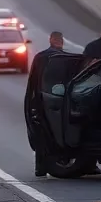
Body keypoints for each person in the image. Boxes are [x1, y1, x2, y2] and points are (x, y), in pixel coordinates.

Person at [25, 31, 66, 177]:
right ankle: (61, 161)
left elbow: (33, 80)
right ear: (61, 41)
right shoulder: (65, 58)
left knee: (42, 134)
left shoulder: (40, 57)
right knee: (60, 134)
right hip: (61, 100)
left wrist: (33, 100)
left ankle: (40, 167)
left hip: (42, 100)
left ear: (51, 40)